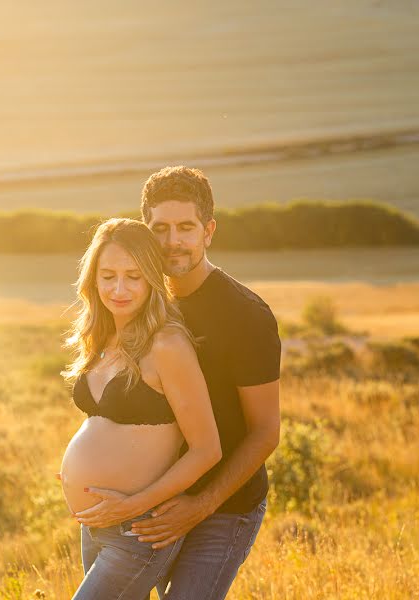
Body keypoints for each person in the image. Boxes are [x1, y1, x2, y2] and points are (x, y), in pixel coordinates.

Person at [135, 166, 282, 599]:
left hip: (224, 506)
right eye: (159, 228)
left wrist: (201, 505)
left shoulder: (246, 315)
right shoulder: (140, 303)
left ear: (209, 231)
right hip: (155, 496)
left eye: (186, 227)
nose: (172, 240)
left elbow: (265, 432)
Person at [59, 218, 223, 600]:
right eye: (108, 275)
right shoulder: (103, 337)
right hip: (96, 526)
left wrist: (131, 504)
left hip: (138, 531)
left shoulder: (167, 344)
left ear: (152, 277)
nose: (119, 288)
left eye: (133, 276)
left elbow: (206, 449)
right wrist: (78, 472)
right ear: (92, 280)